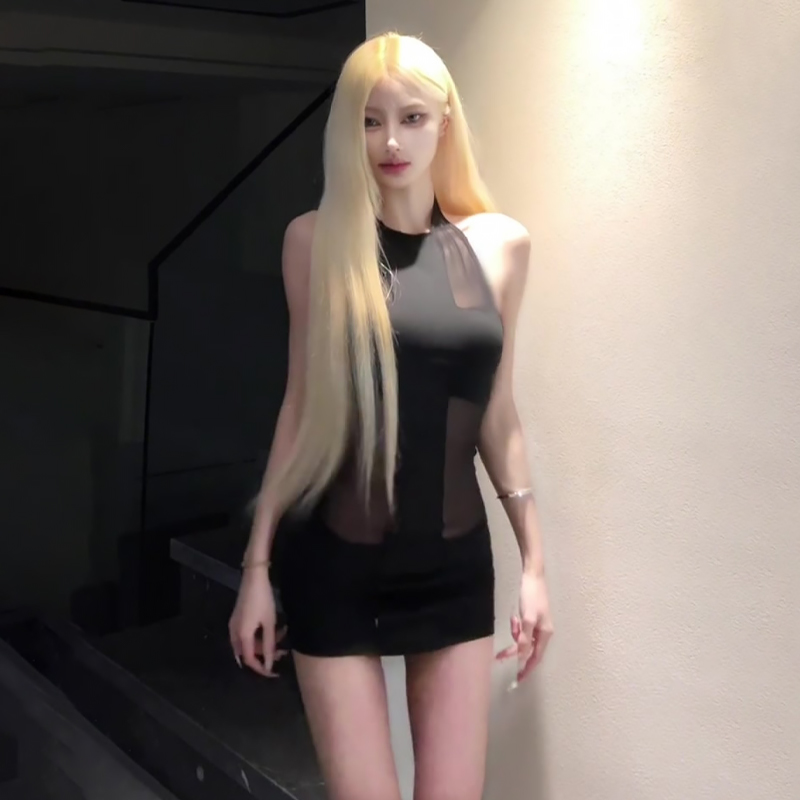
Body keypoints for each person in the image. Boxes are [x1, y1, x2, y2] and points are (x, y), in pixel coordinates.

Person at [229, 31, 554, 800]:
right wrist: (256, 569)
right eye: (370, 122)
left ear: (444, 122)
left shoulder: (499, 246)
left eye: (411, 118)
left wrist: (534, 565)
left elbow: (497, 415)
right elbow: (299, 405)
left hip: (452, 567)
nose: (391, 142)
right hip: (334, 565)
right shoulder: (315, 242)